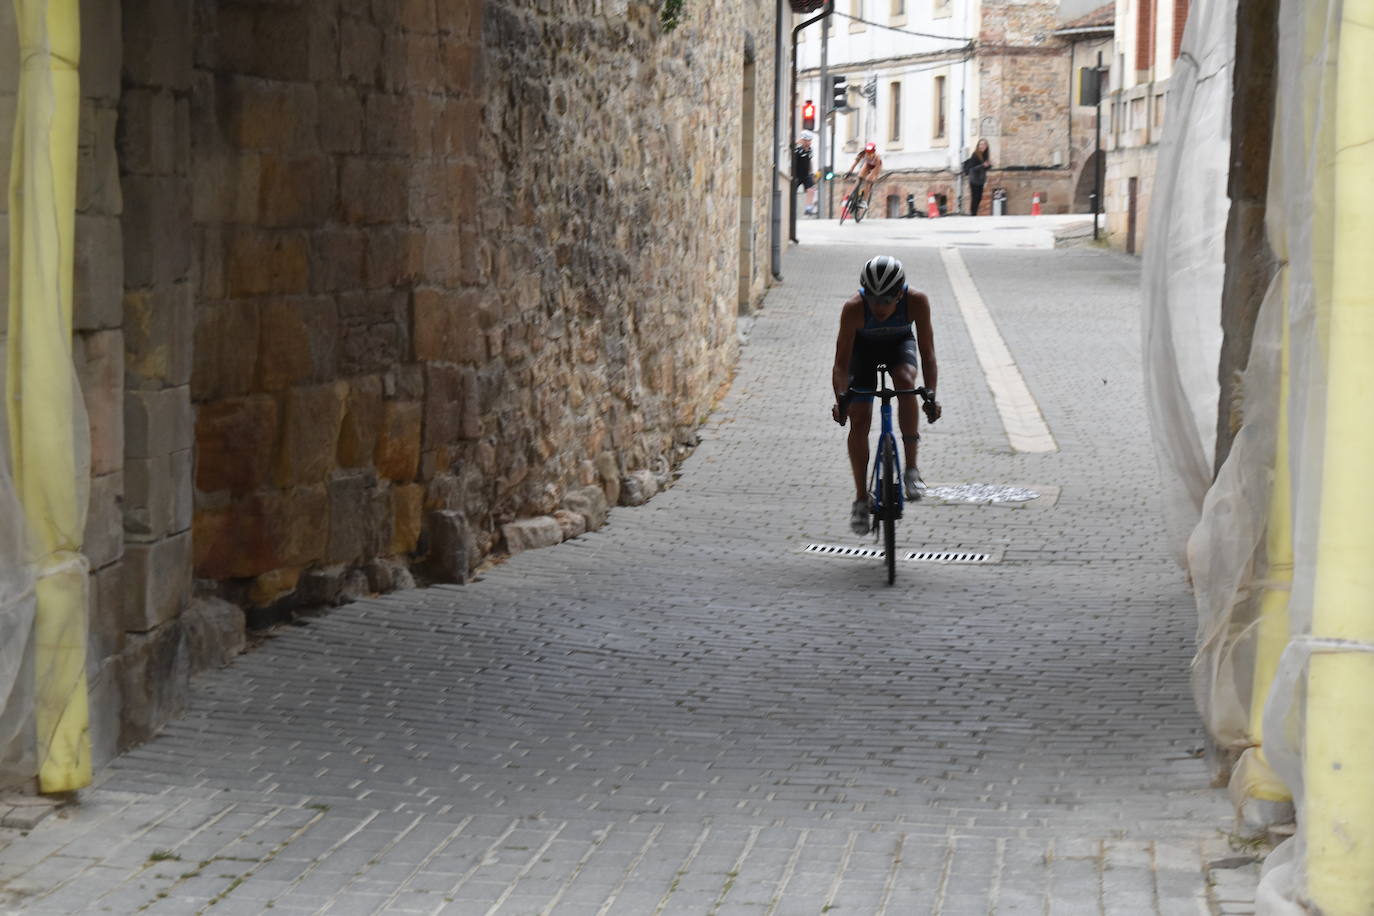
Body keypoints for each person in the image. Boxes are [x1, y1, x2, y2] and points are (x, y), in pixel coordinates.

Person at [831, 255, 941, 535]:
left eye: (886, 301)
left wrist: (930, 395)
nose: (879, 307)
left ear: (900, 295)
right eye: (874, 300)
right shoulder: (853, 309)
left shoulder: (917, 301)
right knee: (860, 417)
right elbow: (841, 363)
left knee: (905, 381)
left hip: (898, 346)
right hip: (863, 352)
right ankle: (860, 498)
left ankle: (911, 471)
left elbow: (927, 353)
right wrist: (841, 399)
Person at [963, 138, 992, 216]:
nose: (983, 146)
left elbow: (985, 168)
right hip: (974, 179)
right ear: (978, 146)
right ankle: (973, 214)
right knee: (975, 197)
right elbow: (972, 168)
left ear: (987, 146)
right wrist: (983, 165)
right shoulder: (975, 155)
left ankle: (974, 213)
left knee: (979, 197)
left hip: (981, 180)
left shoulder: (985, 155)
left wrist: (988, 166)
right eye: (981, 144)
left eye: (984, 144)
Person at [793, 131, 818, 215]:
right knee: (792, 191)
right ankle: (791, 207)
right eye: (807, 140)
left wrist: (812, 173)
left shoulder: (810, 150)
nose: (809, 142)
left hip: (807, 174)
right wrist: (797, 142)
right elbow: (791, 148)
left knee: (811, 189)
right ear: (803, 140)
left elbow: (810, 161)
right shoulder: (798, 150)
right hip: (797, 174)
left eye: (810, 140)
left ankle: (808, 208)